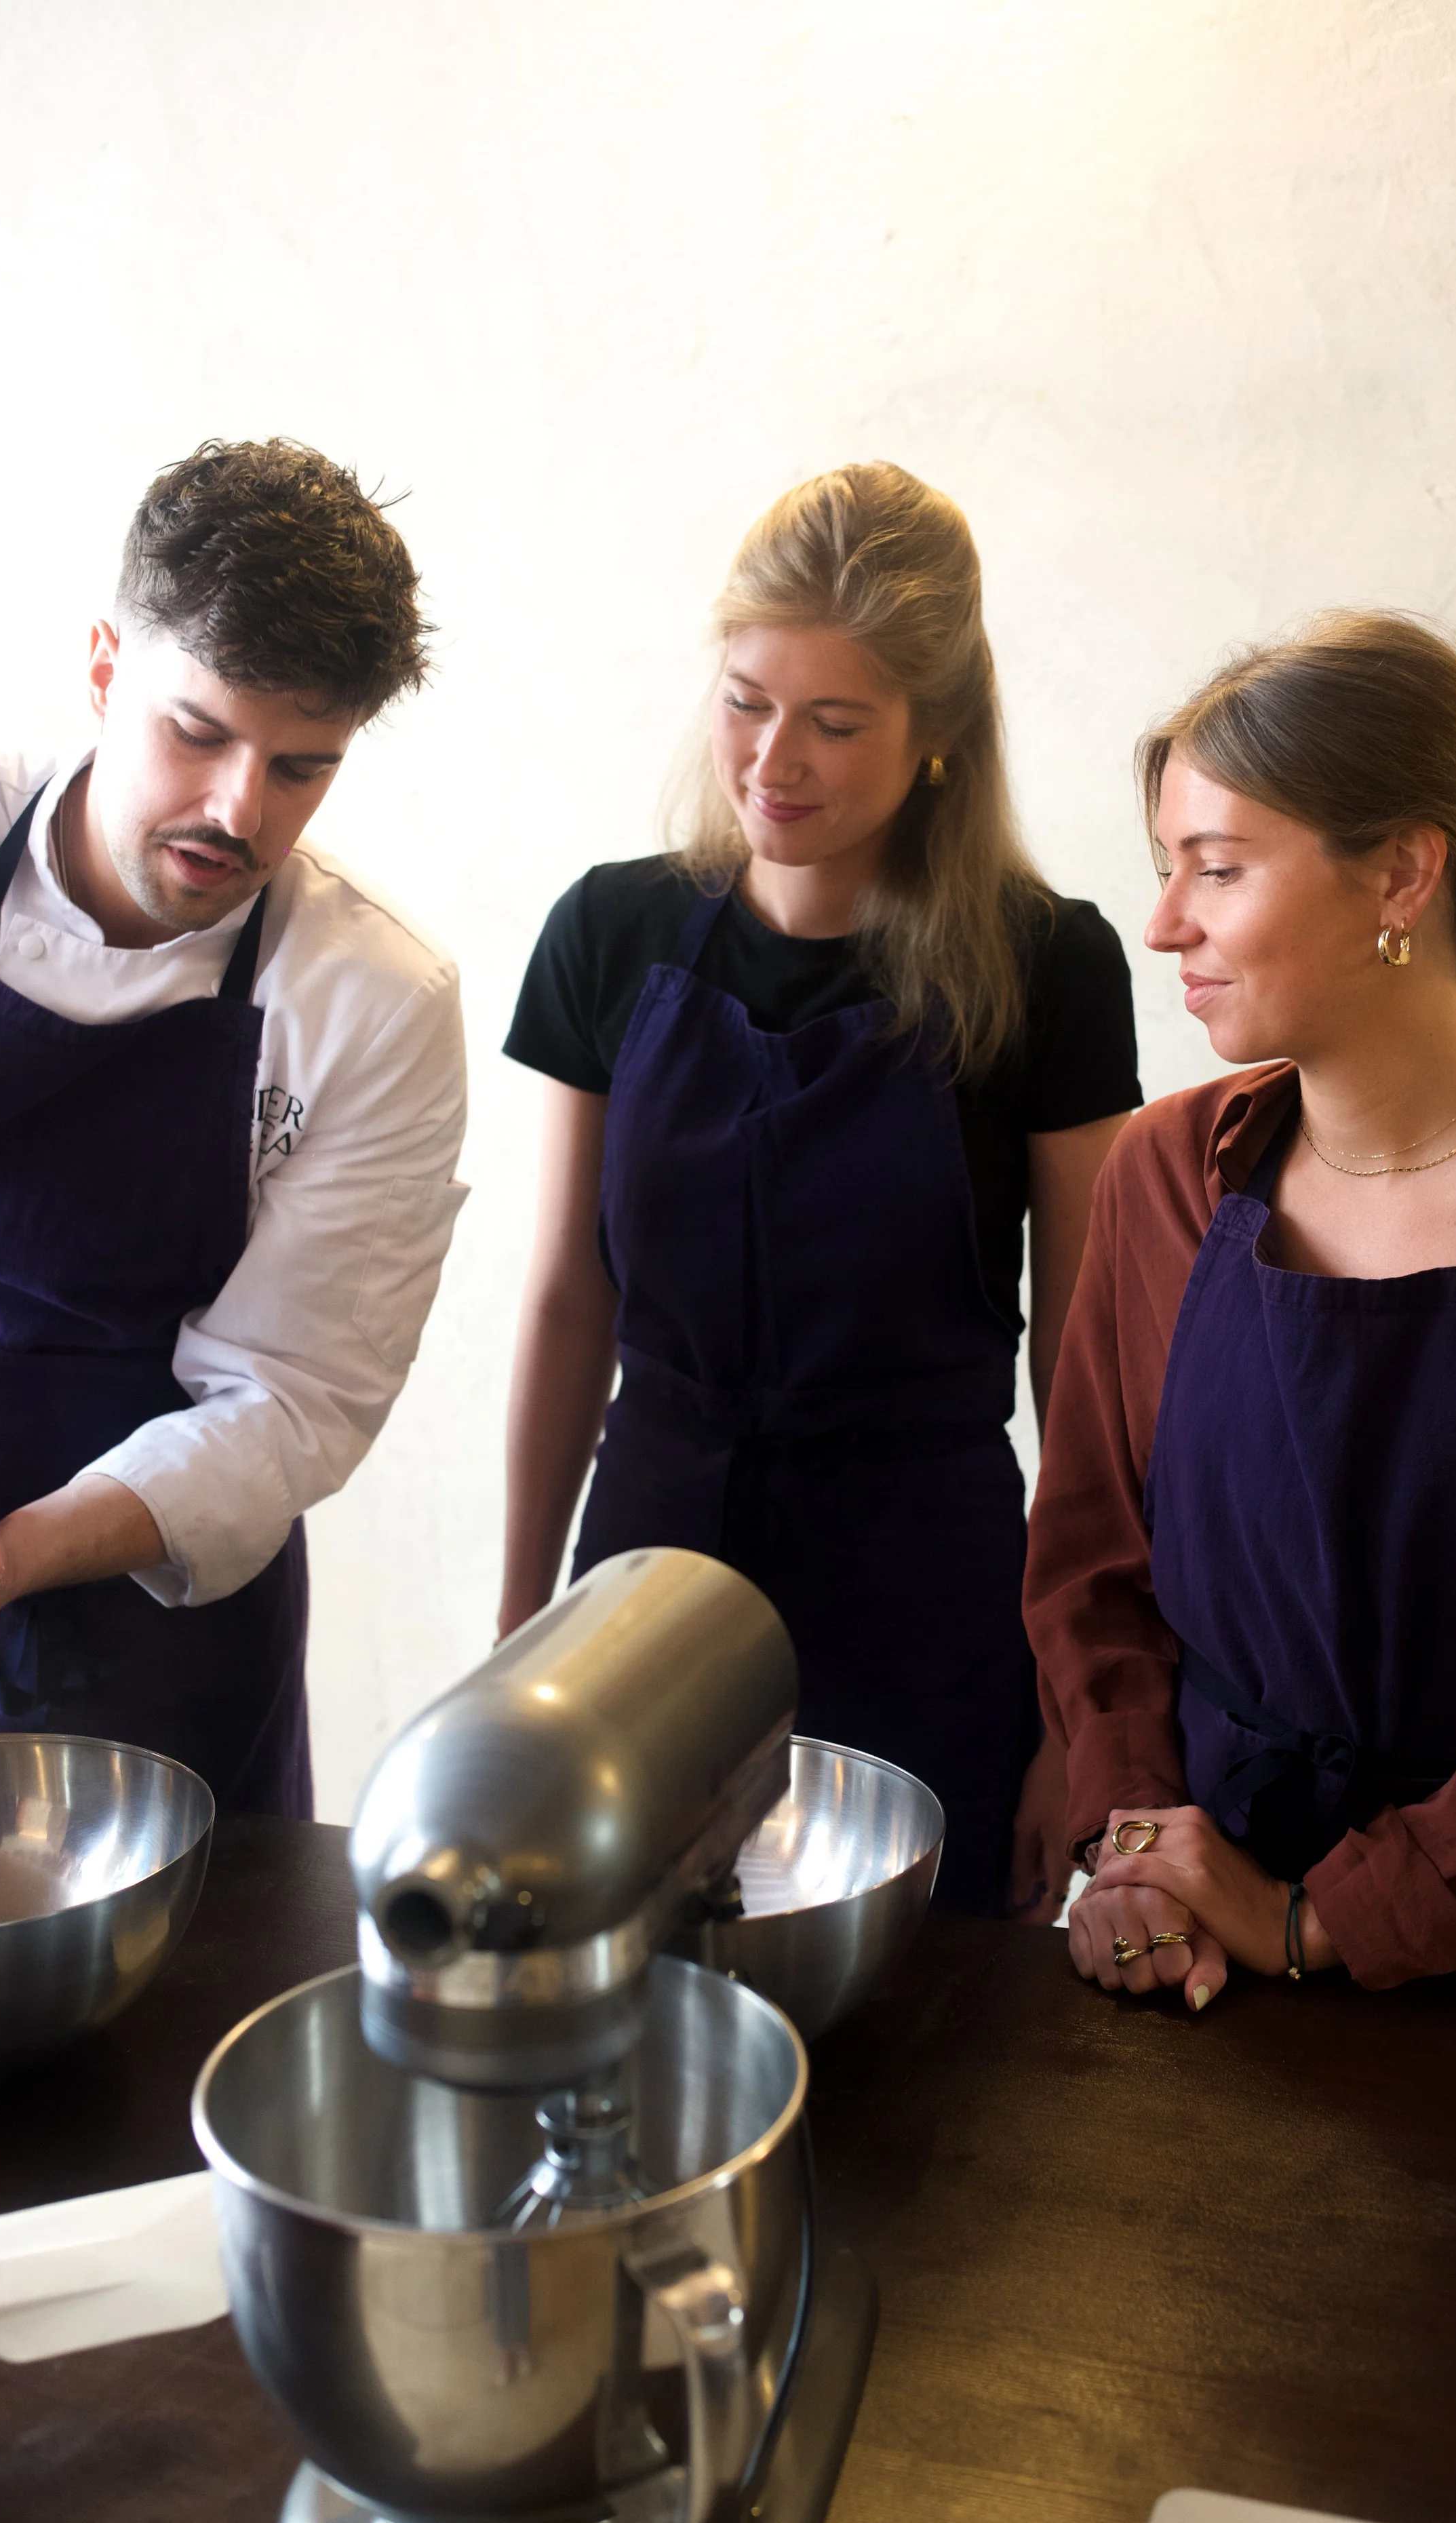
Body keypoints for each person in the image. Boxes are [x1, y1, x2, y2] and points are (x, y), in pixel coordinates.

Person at [500, 463, 1139, 1912]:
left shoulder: (1046, 964)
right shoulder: (611, 934)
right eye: (744, 700)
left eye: (833, 721)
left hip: (925, 1582)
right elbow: (563, 1299)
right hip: (642, 1569)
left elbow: (1090, 1363)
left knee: (931, 2043)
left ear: (936, 736)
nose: (772, 759)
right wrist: (518, 1624)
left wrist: (1083, 1706)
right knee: (630, 2008)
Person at [1025, 610, 1456, 2008]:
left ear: (1400, 876)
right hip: (1193, 1963)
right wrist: (1138, 1860)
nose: (1160, 922)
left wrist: (1311, 1919)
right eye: (1163, 870)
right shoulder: (1164, 1180)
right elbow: (1088, 1571)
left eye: (1216, 870)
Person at [0, 439, 467, 1813]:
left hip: (155, 1642)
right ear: (109, 666)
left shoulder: (370, 1000)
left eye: (302, 767)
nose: (241, 810)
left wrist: (4, 1560)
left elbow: (292, 1399)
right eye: (199, 733)